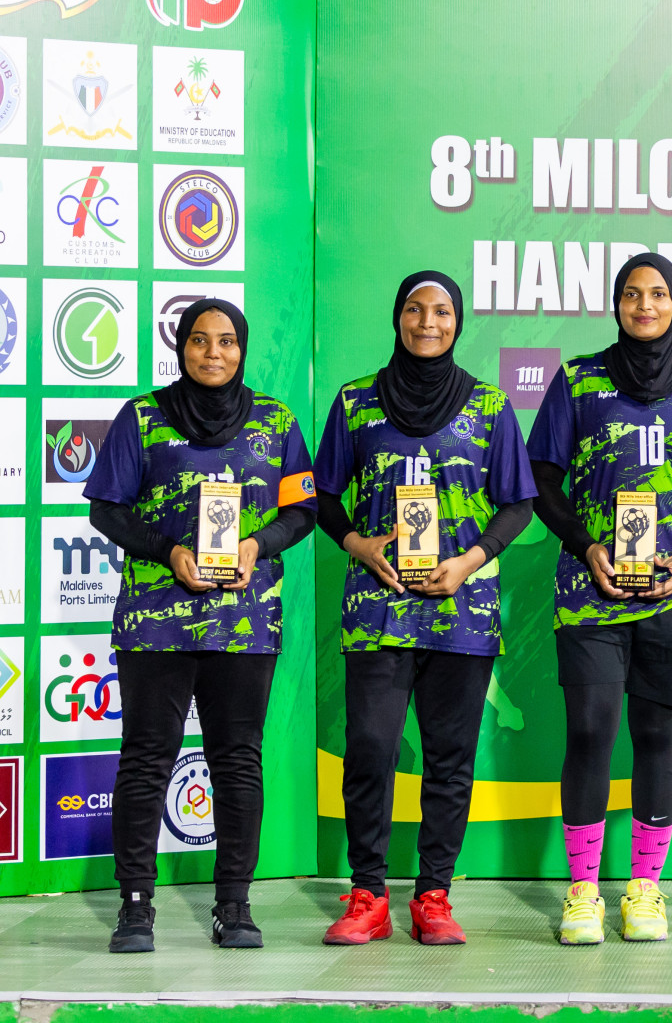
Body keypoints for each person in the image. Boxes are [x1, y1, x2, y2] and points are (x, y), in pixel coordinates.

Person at [527, 253, 672, 945]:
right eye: (632, 293)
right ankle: (584, 891)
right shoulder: (577, 379)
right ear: (616, 303)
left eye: (658, 294)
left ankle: (646, 890)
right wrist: (584, 546)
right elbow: (541, 477)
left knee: (657, 736)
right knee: (591, 731)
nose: (645, 305)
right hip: (590, 592)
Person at [85, 299, 317, 952]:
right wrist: (170, 553)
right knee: (146, 759)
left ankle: (234, 908)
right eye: (199, 341)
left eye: (226, 342)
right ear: (181, 346)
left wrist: (257, 546)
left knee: (238, 761)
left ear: (242, 349)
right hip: (156, 624)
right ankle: (135, 908)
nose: (213, 353)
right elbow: (108, 509)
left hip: (243, 625)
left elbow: (303, 511)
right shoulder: (143, 417)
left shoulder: (276, 422)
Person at [313, 271, 536, 946]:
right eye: (414, 308)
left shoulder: (491, 407)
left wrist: (470, 561)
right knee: (372, 749)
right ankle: (368, 894)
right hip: (377, 607)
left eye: (441, 310)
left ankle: (433, 895)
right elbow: (323, 496)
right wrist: (357, 543)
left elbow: (518, 502)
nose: (428, 322)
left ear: (458, 321)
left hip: (460, 610)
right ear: (397, 317)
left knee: (448, 755)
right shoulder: (356, 403)